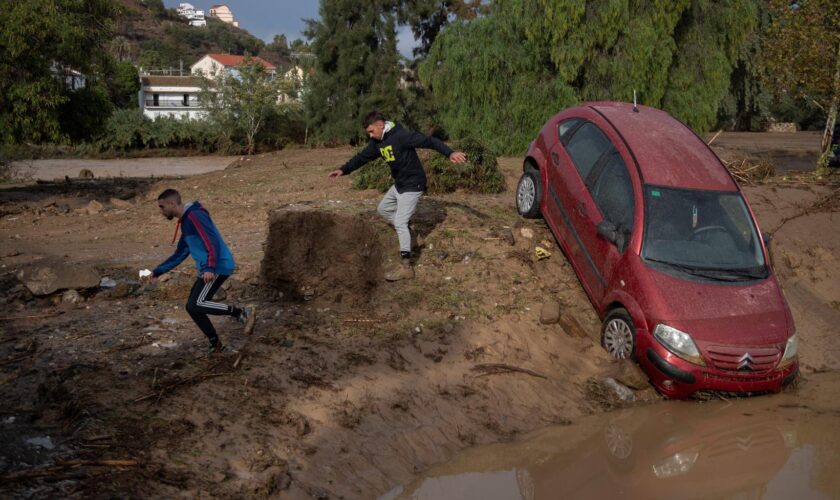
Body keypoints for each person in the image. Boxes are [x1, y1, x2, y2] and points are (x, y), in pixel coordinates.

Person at [329, 110, 467, 281]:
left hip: (413, 184)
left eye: (372, 131)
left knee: (400, 222)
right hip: (400, 184)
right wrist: (343, 170)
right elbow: (362, 157)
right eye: (368, 133)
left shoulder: (402, 136)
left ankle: (406, 267)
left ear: (380, 125)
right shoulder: (377, 142)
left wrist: (450, 153)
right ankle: (412, 237)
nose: (370, 135)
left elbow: (429, 141)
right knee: (383, 209)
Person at [147, 189, 255, 353]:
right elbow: (180, 254)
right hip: (208, 268)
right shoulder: (186, 222)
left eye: (162, 207)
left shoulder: (195, 216)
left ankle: (241, 312)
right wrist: (157, 272)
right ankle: (215, 343)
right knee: (192, 307)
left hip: (217, 266)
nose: (161, 211)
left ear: (172, 203)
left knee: (196, 303)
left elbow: (211, 241)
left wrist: (209, 266)